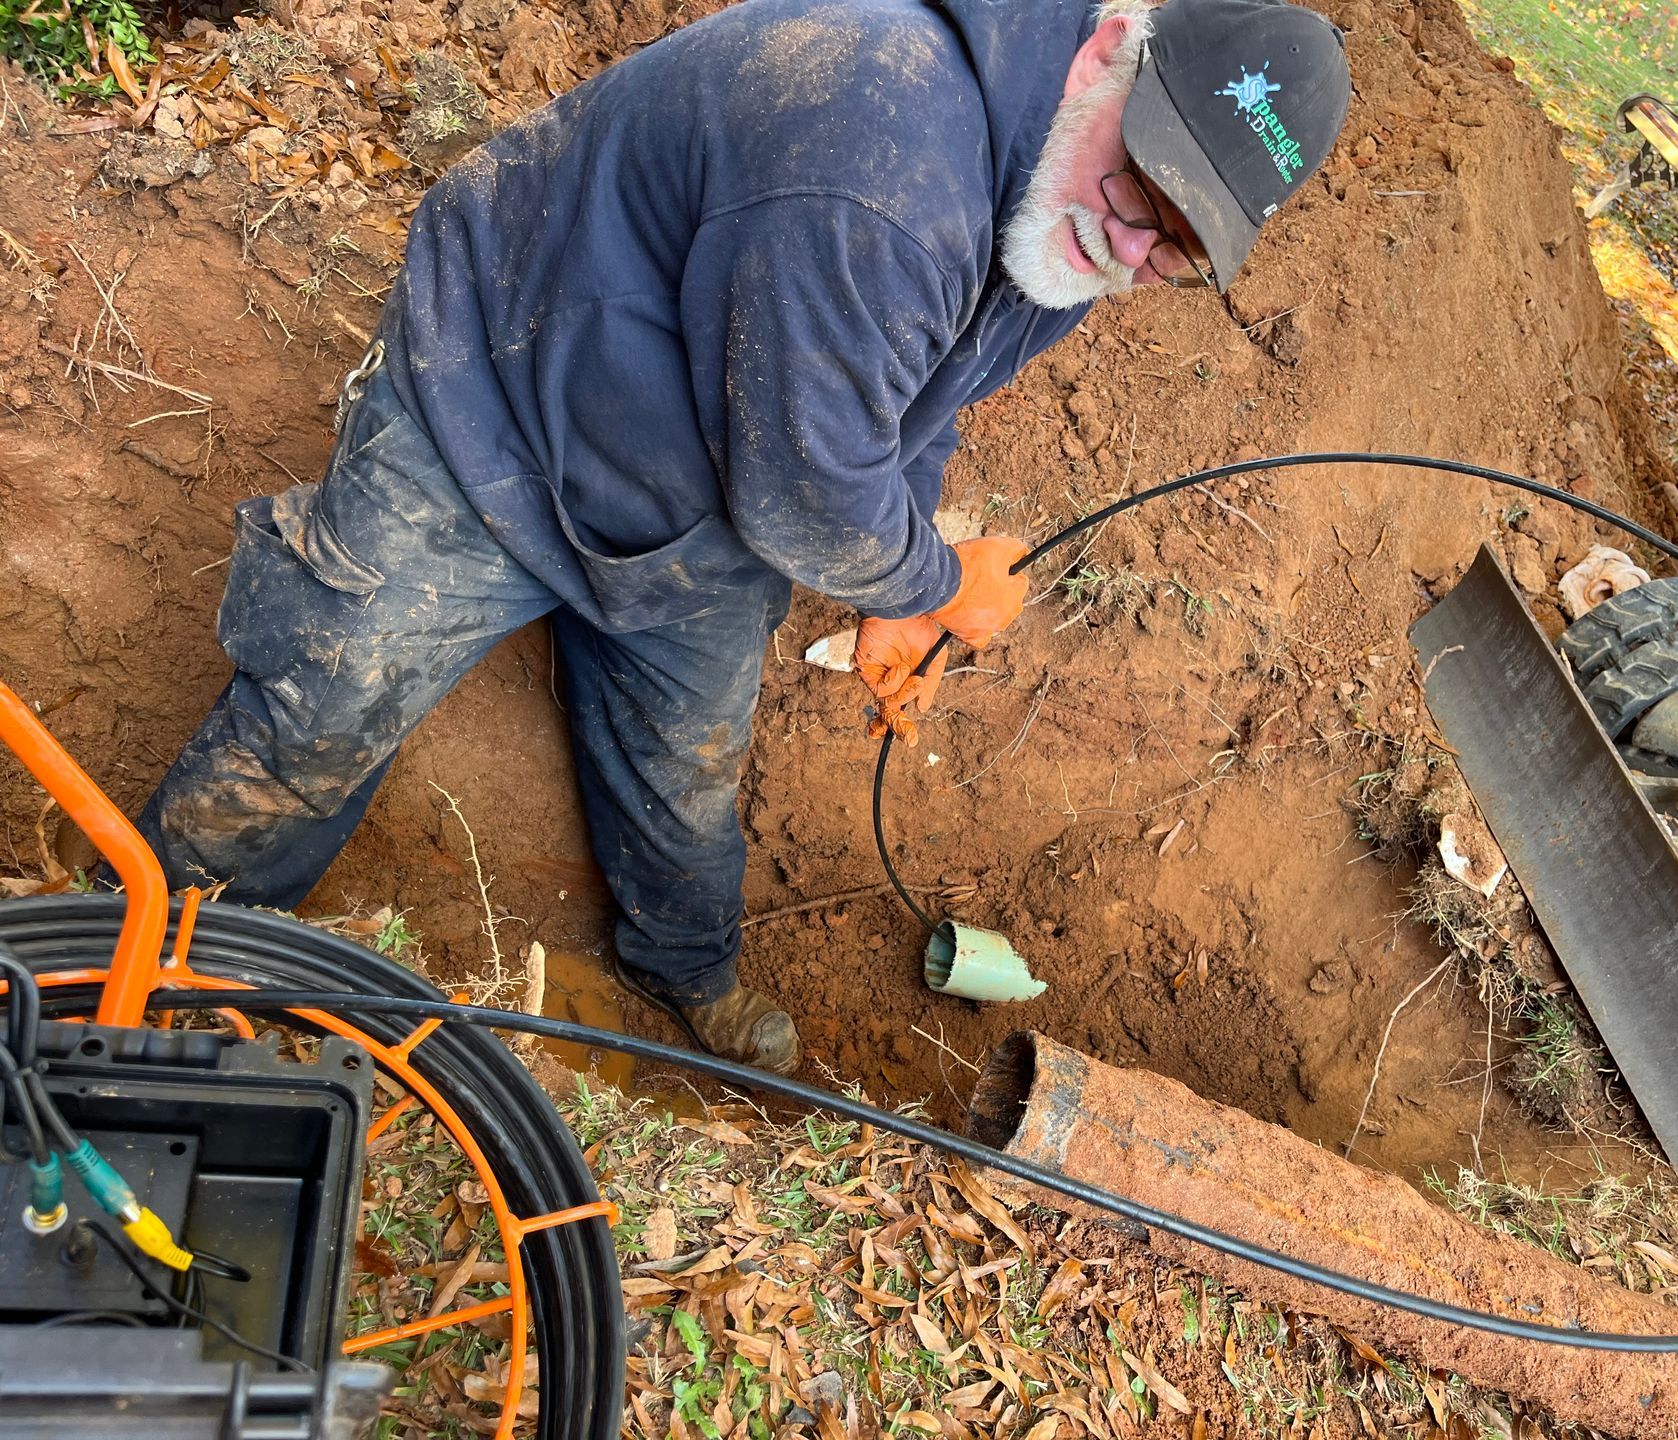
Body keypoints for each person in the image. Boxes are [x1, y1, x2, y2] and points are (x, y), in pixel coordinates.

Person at [134, 0, 1350, 1074]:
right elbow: (807, 498)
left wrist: (895, 569)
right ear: (1107, 49)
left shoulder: (1064, 211)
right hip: (498, 391)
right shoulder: (886, 151)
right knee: (322, 709)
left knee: (687, 770)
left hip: (697, 484)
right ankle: (147, 963)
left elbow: (918, 396)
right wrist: (936, 584)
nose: (1133, 245)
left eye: (1178, 248)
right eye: (1144, 185)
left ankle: (681, 966)